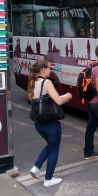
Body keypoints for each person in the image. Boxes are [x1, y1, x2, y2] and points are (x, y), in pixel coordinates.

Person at [28, 59, 72, 187]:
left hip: (38, 122)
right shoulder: (46, 82)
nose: (50, 71)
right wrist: (68, 96)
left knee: (50, 145)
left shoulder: (32, 83)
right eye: (49, 68)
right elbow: (58, 101)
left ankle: (36, 167)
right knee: (54, 149)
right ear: (43, 70)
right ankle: (48, 179)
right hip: (51, 122)